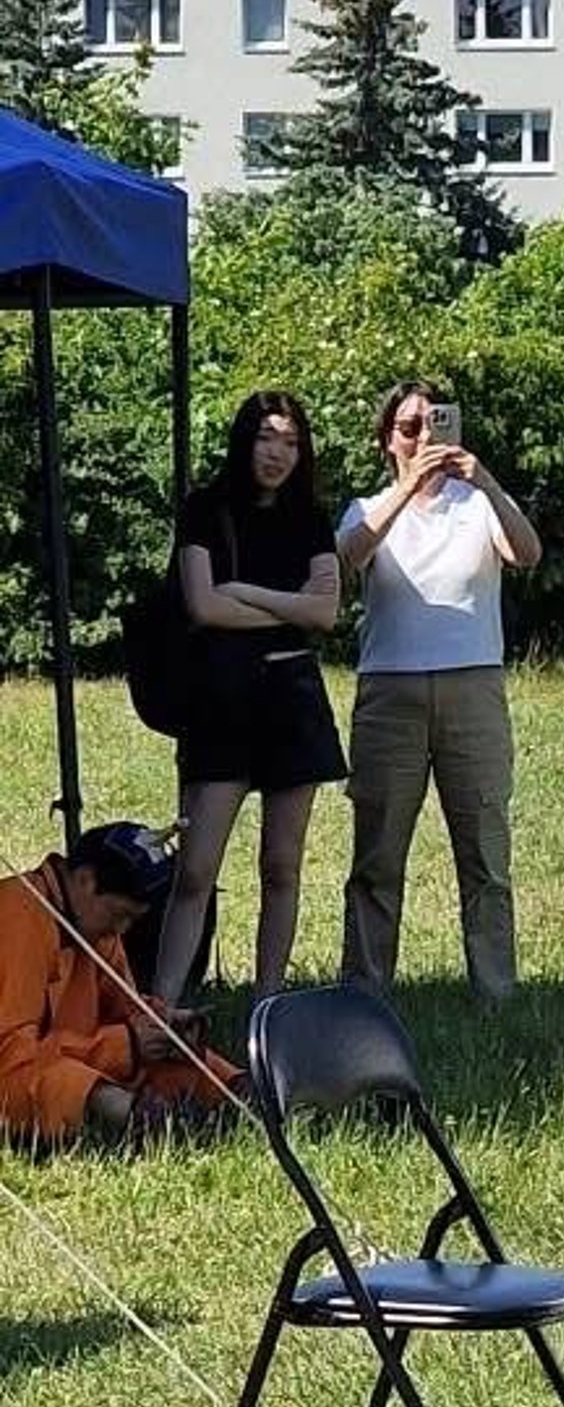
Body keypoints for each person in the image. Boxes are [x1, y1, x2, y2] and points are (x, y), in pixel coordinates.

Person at [336, 380, 543, 1004]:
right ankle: (365, 992)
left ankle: (495, 992)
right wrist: (406, 489)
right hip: (389, 691)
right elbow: (347, 557)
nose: (424, 436)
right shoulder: (367, 506)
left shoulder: (478, 504)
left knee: (484, 848)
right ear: (387, 441)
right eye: (409, 428)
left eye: (435, 422)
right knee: (377, 853)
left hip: (472, 687)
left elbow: (527, 553)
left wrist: (486, 482)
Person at [151, 391, 344, 1006]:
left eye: (291, 442)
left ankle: (269, 1003)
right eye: (266, 437)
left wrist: (246, 592)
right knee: (196, 867)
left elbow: (326, 612)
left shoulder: (311, 517)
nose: (277, 453)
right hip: (223, 700)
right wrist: (289, 608)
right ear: (244, 440)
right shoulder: (206, 508)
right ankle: (162, 1004)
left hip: (294, 700)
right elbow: (204, 605)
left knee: (282, 865)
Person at [0, 823, 240, 1148]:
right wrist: (125, 1045)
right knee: (60, 1077)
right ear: (85, 881)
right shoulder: (20, 913)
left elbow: (125, 1010)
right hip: (17, 1065)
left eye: (131, 920)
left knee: (167, 1051)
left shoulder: (90, 924)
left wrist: (161, 1024)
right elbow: (11, 1054)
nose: (121, 929)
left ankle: (240, 1089)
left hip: (62, 1053)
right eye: (119, 914)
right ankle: (139, 1119)